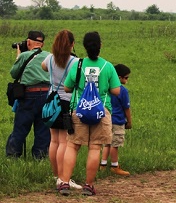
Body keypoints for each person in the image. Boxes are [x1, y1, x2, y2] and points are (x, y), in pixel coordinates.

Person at [59, 31, 121, 196]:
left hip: (79, 110)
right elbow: (116, 90)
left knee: (72, 146)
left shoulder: (78, 65)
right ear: (100, 45)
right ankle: (88, 185)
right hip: (101, 111)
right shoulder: (107, 66)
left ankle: (64, 183)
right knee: (95, 148)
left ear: (84, 47)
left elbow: (67, 87)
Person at [40, 30, 82, 190]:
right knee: (65, 141)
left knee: (54, 140)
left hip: (51, 101)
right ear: (72, 44)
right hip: (66, 103)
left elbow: (44, 67)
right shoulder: (75, 62)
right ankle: (64, 177)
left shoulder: (50, 59)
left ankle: (56, 175)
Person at [6, 31, 51, 159]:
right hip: (46, 94)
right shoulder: (50, 56)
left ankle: (13, 155)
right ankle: (40, 156)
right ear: (42, 43)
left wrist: (18, 57)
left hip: (29, 95)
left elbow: (14, 74)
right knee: (43, 129)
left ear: (29, 42)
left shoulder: (24, 56)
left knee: (21, 126)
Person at [100, 64, 133, 176]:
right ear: (119, 77)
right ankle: (115, 166)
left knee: (107, 143)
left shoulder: (106, 88)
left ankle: (103, 165)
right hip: (118, 121)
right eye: (126, 77)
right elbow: (126, 108)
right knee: (115, 144)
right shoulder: (122, 90)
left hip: (106, 119)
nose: (127, 80)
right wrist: (129, 121)